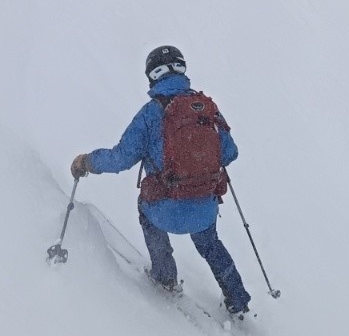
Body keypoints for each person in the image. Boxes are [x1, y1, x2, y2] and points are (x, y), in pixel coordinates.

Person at [71, 45, 251, 316]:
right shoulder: (206, 108)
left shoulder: (150, 113)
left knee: (145, 210)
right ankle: (238, 299)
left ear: (152, 76)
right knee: (209, 241)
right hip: (204, 208)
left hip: (164, 210)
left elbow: (121, 158)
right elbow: (230, 153)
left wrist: (86, 162)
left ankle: (165, 277)